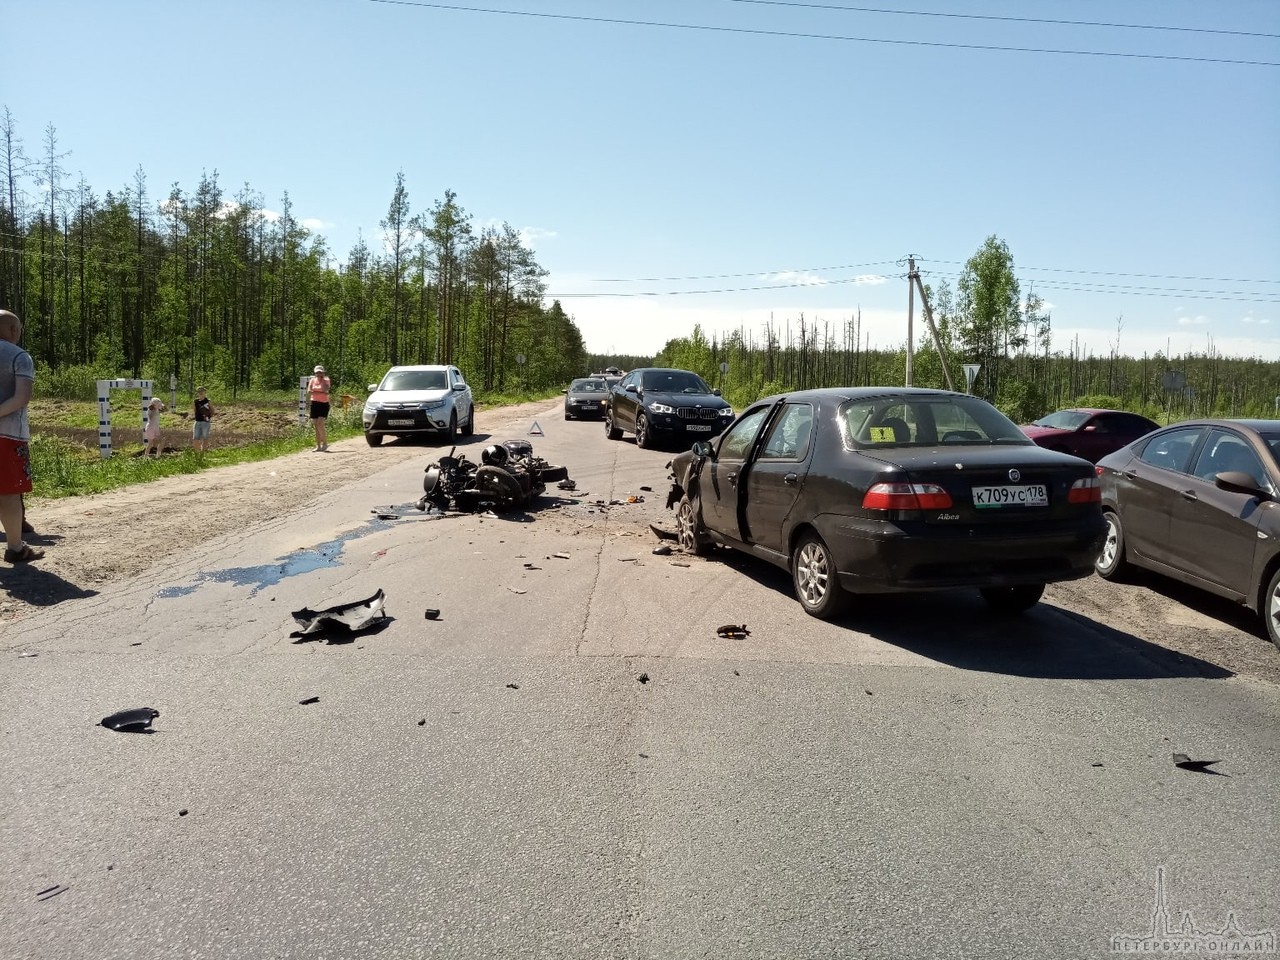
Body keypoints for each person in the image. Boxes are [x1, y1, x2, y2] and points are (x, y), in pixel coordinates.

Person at [0, 308, 42, 563]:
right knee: (8, 493)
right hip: (8, 436)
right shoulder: (19, 356)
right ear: (14, 330)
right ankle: (15, 547)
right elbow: (22, 397)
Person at [307, 364, 331, 452]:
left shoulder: (326, 380)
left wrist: (322, 381)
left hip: (323, 404)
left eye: (320, 372)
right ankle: (318, 446)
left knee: (320, 423)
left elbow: (326, 390)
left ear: (323, 373)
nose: (318, 374)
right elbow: (309, 391)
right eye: (317, 372)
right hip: (314, 403)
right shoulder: (312, 380)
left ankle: (325, 443)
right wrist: (319, 392)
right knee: (316, 424)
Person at [193, 386, 215, 453]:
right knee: (195, 437)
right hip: (197, 421)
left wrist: (209, 416)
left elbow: (212, 410)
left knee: (205, 436)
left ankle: (203, 452)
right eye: (199, 391)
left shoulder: (208, 401)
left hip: (206, 422)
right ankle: (197, 452)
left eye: (202, 391)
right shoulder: (195, 401)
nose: (201, 393)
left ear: (205, 392)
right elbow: (195, 410)